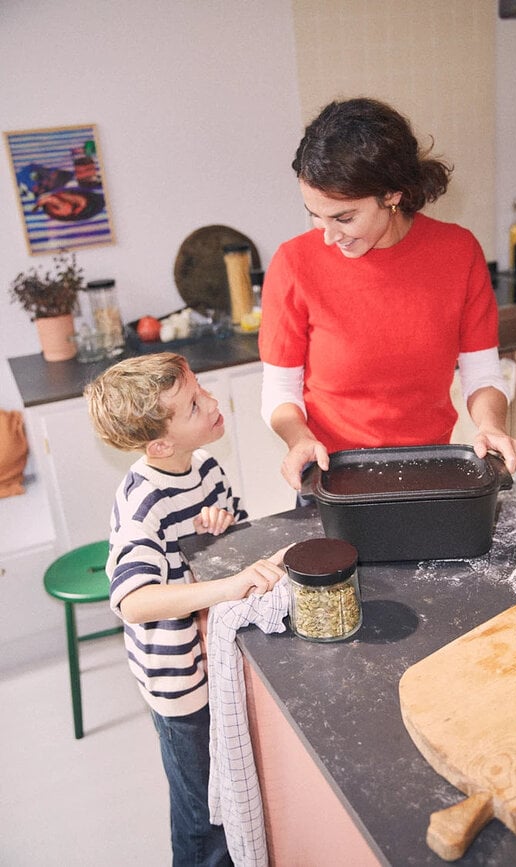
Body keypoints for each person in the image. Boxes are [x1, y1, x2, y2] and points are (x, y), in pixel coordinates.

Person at [258, 97, 516, 495]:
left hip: (433, 472)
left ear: (392, 194)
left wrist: (491, 426)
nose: (328, 236)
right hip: (333, 479)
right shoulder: (294, 263)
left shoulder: (457, 252)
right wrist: (299, 439)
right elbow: (280, 390)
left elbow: (482, 373)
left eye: (344, 218)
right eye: (315, 215)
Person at [85, 353, 286, 867]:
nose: (213, 403)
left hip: (210, 660)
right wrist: (227, 587)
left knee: (223, 793)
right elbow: (133, 601)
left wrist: (220, 522)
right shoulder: (143, 503)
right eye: (195, 405)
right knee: (204, 817)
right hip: (178, 682)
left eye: (202, 389)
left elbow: (233, 527)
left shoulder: (205, 467)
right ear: (160, 444)